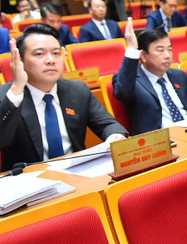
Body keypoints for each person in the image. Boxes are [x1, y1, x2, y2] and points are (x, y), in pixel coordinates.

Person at [0, 24, 127, 171]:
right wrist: (16, 89)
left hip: (77, 173)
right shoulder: (8, 96)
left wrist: (115, 135)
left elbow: (107, 124)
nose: (50, 60)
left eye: (56, 53)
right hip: (28, 181)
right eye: (39, 54)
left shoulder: (78, 90)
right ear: (20, 61)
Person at [113, 23, 187, 134]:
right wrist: (132, 50)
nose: (167, 55)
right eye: (160, 50)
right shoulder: (132, 80)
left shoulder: (179, 75)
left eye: (169, 49)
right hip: (161, 142)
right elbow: (123, 93)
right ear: (143, 55)